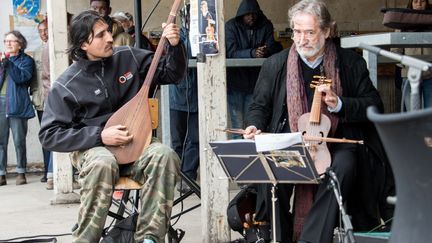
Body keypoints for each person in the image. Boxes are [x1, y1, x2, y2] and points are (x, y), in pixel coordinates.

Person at [243, 1, 388, 242]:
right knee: (270, 174)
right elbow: (259, 106)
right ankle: (280, 234)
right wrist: (254, 125)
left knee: (342, 167)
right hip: (292, 141)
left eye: (310, 32)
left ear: (327, 31)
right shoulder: (275, 64)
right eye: (297, 32)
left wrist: (340, 103)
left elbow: (374, 105)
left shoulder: (350, 63)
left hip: (338, 142)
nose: (302, 39)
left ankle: (310, 239)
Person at [38, 10, 186, 243]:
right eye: (100, 35)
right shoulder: (66, 85)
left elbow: (171, 73)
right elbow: (49, 135)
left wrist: (175, 47)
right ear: (83, 44)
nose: (109, 38)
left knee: (164, 155)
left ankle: (149, 238)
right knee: (103, 162)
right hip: (94, 150)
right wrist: (100, 136)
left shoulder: (128, 57)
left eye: (108, 31)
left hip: (138, 144)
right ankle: (86, 239)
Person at [225, 0, 282, 134]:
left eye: (254, 14)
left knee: (254, 125)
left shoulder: (265, 24)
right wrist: (252, 53)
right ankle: (240, 154)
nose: (251, 17)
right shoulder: (231, 26)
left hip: (258, 84)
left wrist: (265, 51)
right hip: (236, 84)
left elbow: (273, 47)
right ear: (241, 15)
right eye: (247, 14)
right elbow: (230, 52)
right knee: (238, 126)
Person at [169, 4, 199, 193]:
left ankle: (187, 176)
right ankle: (173, 176)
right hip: (177, 95)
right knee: (177, 140)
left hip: (197, 95)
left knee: (194, 139)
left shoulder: (201, 35)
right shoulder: (175, 34)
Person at [0, 30, 35, 186]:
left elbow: (23, 78)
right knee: (1, 142)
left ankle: (21, 172)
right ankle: (1, 173)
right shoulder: (2, 61)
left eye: (11, 41)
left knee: (19, 141)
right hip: (1, 104)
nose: (8, 44)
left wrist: (8, 64)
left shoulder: (26, 60)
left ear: (20, 44)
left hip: (17, 104)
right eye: (6, 41)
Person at [397, 0, 432, 110]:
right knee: (412, 114)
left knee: (429, 114)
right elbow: (396, 48)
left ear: (427, 4)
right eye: (415, 1)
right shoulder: (402, 22)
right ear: (411, 4)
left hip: (430, 75)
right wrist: (404, 66)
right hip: (409, 74)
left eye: (422, 1)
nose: (419, 4)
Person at [31, 18, 52, 184]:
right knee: (45, 137)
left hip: (54, 99)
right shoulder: (37, 52)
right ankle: (47, 171)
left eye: (45, 30)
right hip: (41, 100)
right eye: (40, 31)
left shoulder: (58, 47)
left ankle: (55, 172)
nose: (43, 33)